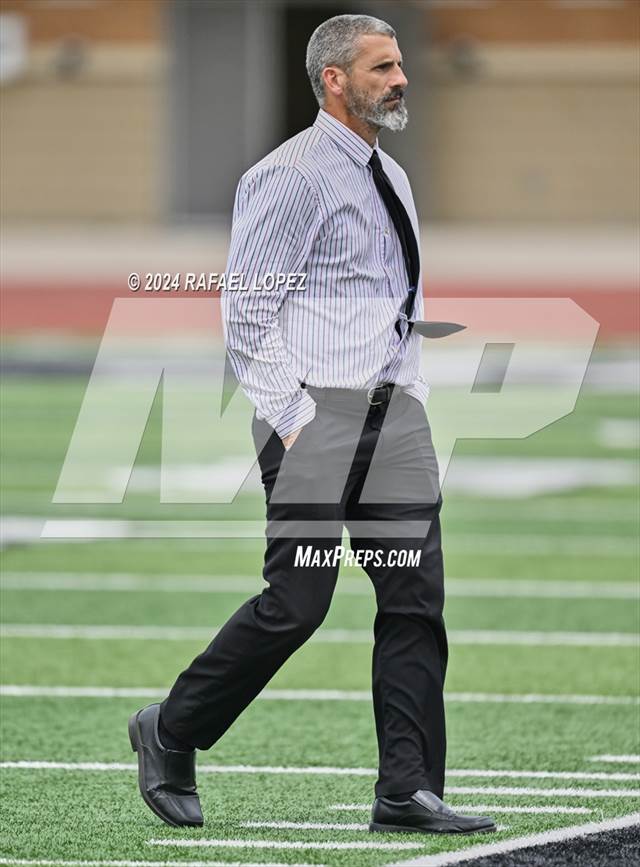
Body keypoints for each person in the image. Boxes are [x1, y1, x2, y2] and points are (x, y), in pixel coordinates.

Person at [128, 13, 495, 836]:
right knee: (298, 603)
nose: (401, 79)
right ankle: (171, 728)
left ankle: (406, 789)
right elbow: (245, 315)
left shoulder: (389, 175)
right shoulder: (289, 176)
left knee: (414, 601)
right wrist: (296, 424)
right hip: (313, 418)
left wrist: (408, 393)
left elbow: (397, 299)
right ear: (334, 80)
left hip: (393, 419)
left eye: (399, 64)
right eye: (381, 67)